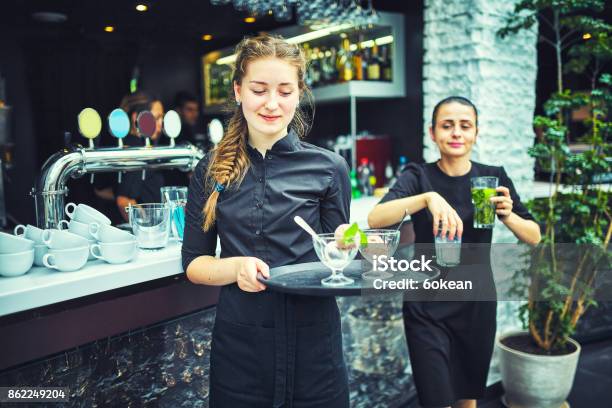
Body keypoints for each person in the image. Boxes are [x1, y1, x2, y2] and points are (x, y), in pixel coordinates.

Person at [181, 34, 351, 407]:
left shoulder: (330, 168)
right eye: (259, 90)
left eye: (285, 91)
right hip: (241, 350)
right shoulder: (209, 170)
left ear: (299, 93)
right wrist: (236, 267)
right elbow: (195, 264)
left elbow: (337, 257)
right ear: (239, 91)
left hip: (314, 347)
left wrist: (345, 247)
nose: (272, 104)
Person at [368, 96, 541, 408]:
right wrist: (426, 199)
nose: (457, 133)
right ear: (432, 133)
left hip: (476, 303)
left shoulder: (493, 177)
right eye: (447, 126)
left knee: (467, 397)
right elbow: (375, 219)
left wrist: (508, 215)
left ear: (476, 132)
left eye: (465, 126)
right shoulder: (417, 177)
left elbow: (534, 236)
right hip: (426, 305)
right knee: (435, 399)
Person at [114, 92, 165, 222]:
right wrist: (147, 229)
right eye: (157, 118)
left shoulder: (135, 145)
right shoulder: (136, 149)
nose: (161, 124)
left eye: (162, 119)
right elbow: (124, 201)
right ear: (137, 117)